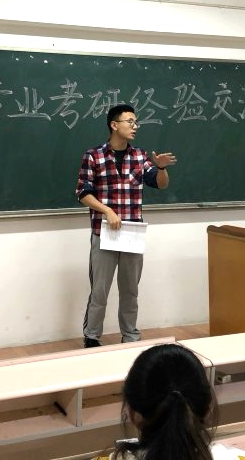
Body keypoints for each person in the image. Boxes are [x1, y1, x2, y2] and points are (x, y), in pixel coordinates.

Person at [75, 104, 176, 348]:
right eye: (130, 121)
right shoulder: (94, 155)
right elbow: (83, 193)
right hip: (104, 232)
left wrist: (161, 168)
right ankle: (92, 336)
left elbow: (160, 184)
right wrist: (107, 210)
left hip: (132, 233)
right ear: (114, 125)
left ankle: (130, 335)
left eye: (135, 122)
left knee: (130, 290)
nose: (135, 126)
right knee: (100, 290)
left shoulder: (140, 156)